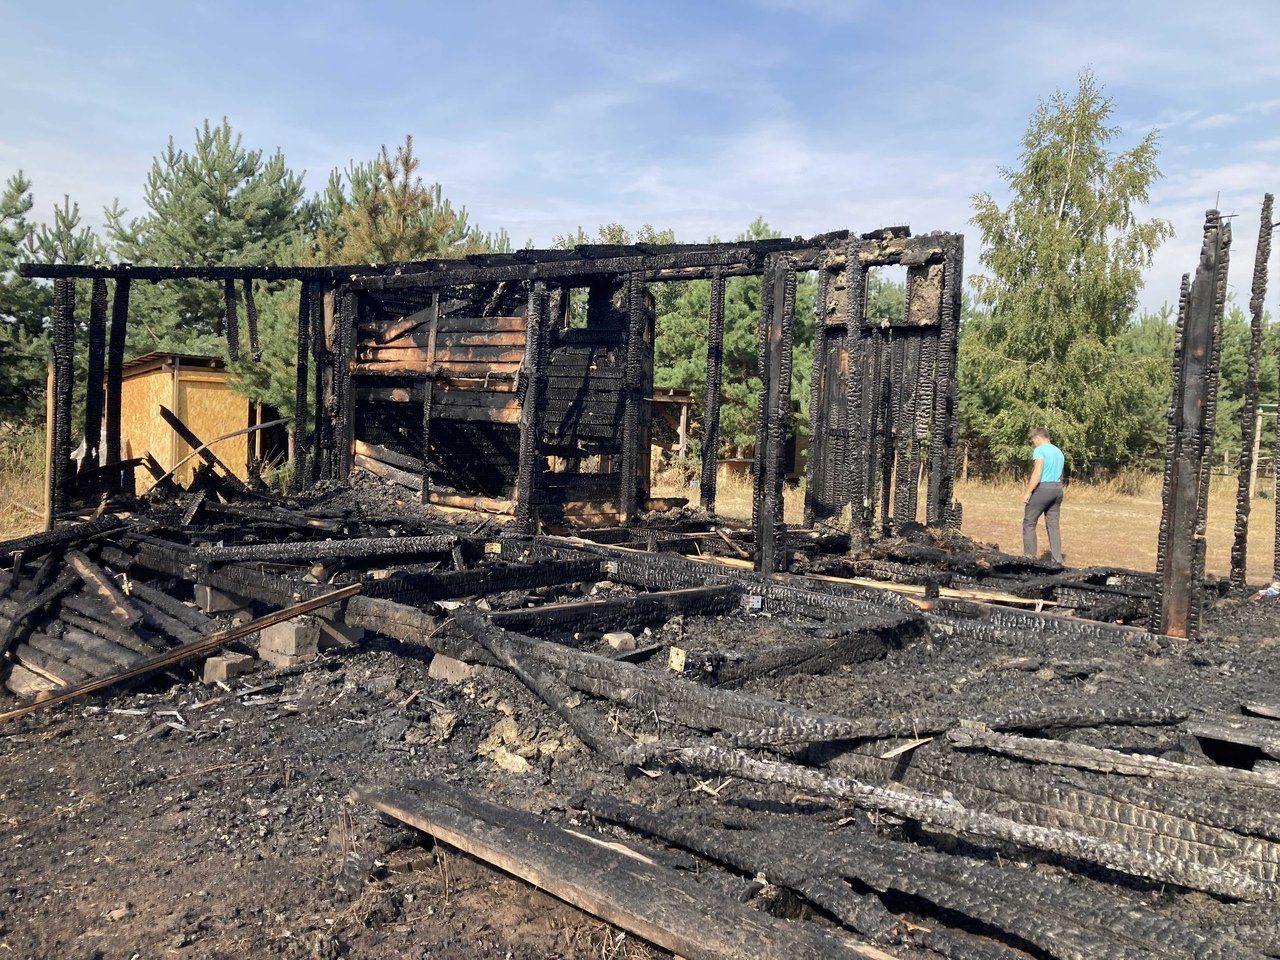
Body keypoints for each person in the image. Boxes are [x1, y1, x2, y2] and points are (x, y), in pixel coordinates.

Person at [1022, 427, 1064, 563]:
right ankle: (1057, 560)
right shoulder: (1058, 451)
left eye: (1033, 441)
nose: (1033, 443)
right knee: (1053, 526)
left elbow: (1037, 472)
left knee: (1029, 522)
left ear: (1038, 438)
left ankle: (1029, 557)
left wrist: (1028, 492)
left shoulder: (1040, 450)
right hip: (1057, 488)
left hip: (1043, 488)